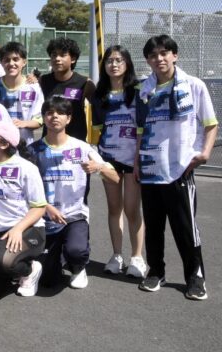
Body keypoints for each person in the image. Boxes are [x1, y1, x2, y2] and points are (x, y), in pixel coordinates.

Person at [135, 35, 218, 300]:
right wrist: (137, 163)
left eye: (164, 53)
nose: (159, 59)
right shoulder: (144, 90)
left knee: (185, 227)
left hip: (180, 168)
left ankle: (195, 277)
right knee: (154, 226)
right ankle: (156, 272)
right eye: (153, 55)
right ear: (148, 60)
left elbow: (210, 123)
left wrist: (205, 153)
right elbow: (140, 131)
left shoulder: (193, 85)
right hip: (150, 168)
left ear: (175, 55)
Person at [28, 97, 118, 290]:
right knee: (48, 281)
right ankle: (58, 257)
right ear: (44, 118)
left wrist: (99, 167)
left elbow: (115, 178)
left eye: (60, 113)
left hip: (75, 215)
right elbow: (25, 190)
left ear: (68, 119)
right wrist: (46, 207)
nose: (54, 117)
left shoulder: (82, 148)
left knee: (76, 251)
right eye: (49, 113)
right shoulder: (33, 151)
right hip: (45, 217)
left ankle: (78, 266)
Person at [0, 122, 47, 298]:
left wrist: (18, 229)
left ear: (5, 144)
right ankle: (9, 268)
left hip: (27, 229)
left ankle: (30, 270)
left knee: (2, 261)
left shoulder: (26, 168)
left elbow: (39, 207)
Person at [92, 46, 146, 278]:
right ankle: (116, 255)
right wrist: (98, 160)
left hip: (132, 159)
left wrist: (138, 159)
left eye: (119, 60)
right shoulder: (100, 94)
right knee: (114, 208)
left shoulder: (139, 90)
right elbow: (97, 130)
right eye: (109, 61)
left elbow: (143, 127)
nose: (114, 65)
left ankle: (137, 257)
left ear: (127, 63)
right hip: (109, 160)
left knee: (132, 209)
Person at [0, 42, 43, 145]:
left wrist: (24, 123)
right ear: (1, 63)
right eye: (7, 60)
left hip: (24, 146)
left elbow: (39, 120)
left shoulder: (35, 88)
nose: (11, 63)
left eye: (16, 59)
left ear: (24, 62)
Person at [39, 37, 95, 141]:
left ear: (73, 59)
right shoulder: (42, 81)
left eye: (62, 55)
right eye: (54, 55)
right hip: (49, 142)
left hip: (76, 142)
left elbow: (100, 107)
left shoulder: (85, 83)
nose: (57, 58)